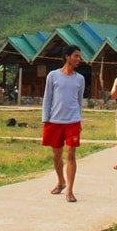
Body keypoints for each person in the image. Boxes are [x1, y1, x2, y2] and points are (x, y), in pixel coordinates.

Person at [41, 44, 85, 203]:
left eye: (79, 57)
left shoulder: (80, 79)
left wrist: (79, 119)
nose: (79, 59)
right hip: (54, 121)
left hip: (72, 121)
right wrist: (45, 119)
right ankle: (61, 181)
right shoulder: (53, 76)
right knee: (56, 155)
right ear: (67, 56)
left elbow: (79, 102)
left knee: (71, 154)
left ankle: (70, 191)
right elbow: (47, 99)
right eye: (76, 56)